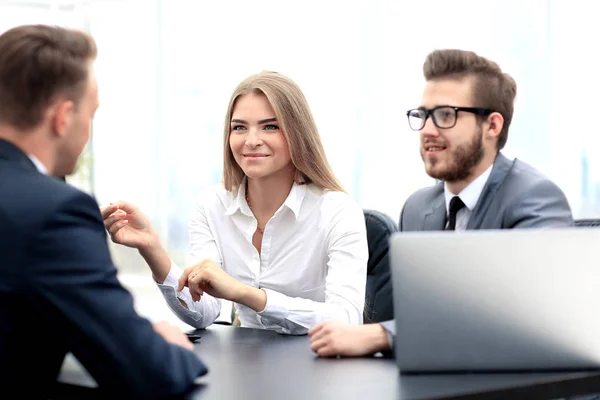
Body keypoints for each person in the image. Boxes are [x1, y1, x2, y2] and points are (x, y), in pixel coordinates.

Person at [309, 48, 573, 357]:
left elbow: (526, 321)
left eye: (446, 115)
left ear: (492, 126)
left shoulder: (534, 198)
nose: (428, 131)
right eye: (422, 115)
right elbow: (421, 317)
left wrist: (383, 335)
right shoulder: (418, 208)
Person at [0, 25, 207, 397]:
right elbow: (147, 369)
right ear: (62, 118)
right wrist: (167, 344)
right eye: (91, 114)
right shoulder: (52, 212)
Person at [103, 71, 368, 335]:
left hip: (318, 362)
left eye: (270, 126)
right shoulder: (211, 206)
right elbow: (203, 313)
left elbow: (345, 320)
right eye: (239, 127)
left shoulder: (338, 212)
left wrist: (246, 294)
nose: (251, 141)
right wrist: (152, 248)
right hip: (243, 362)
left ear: (297, 133)